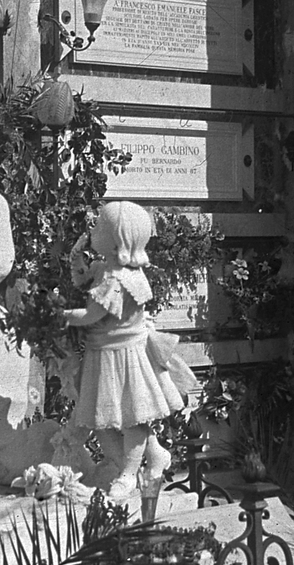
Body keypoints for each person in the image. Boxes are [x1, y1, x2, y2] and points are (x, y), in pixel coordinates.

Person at [60, 202, 198, 503]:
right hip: (102, 354)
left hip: (122, 357)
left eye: (99, 227)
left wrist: (60, 316)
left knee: (133, 419)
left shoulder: (118, 279)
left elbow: (92, 315)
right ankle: (149, 457)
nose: (93, 230)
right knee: (100, 420)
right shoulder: (107, 270)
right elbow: (85, 282)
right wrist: (78, 263)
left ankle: (128, 473)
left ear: (116, 240)